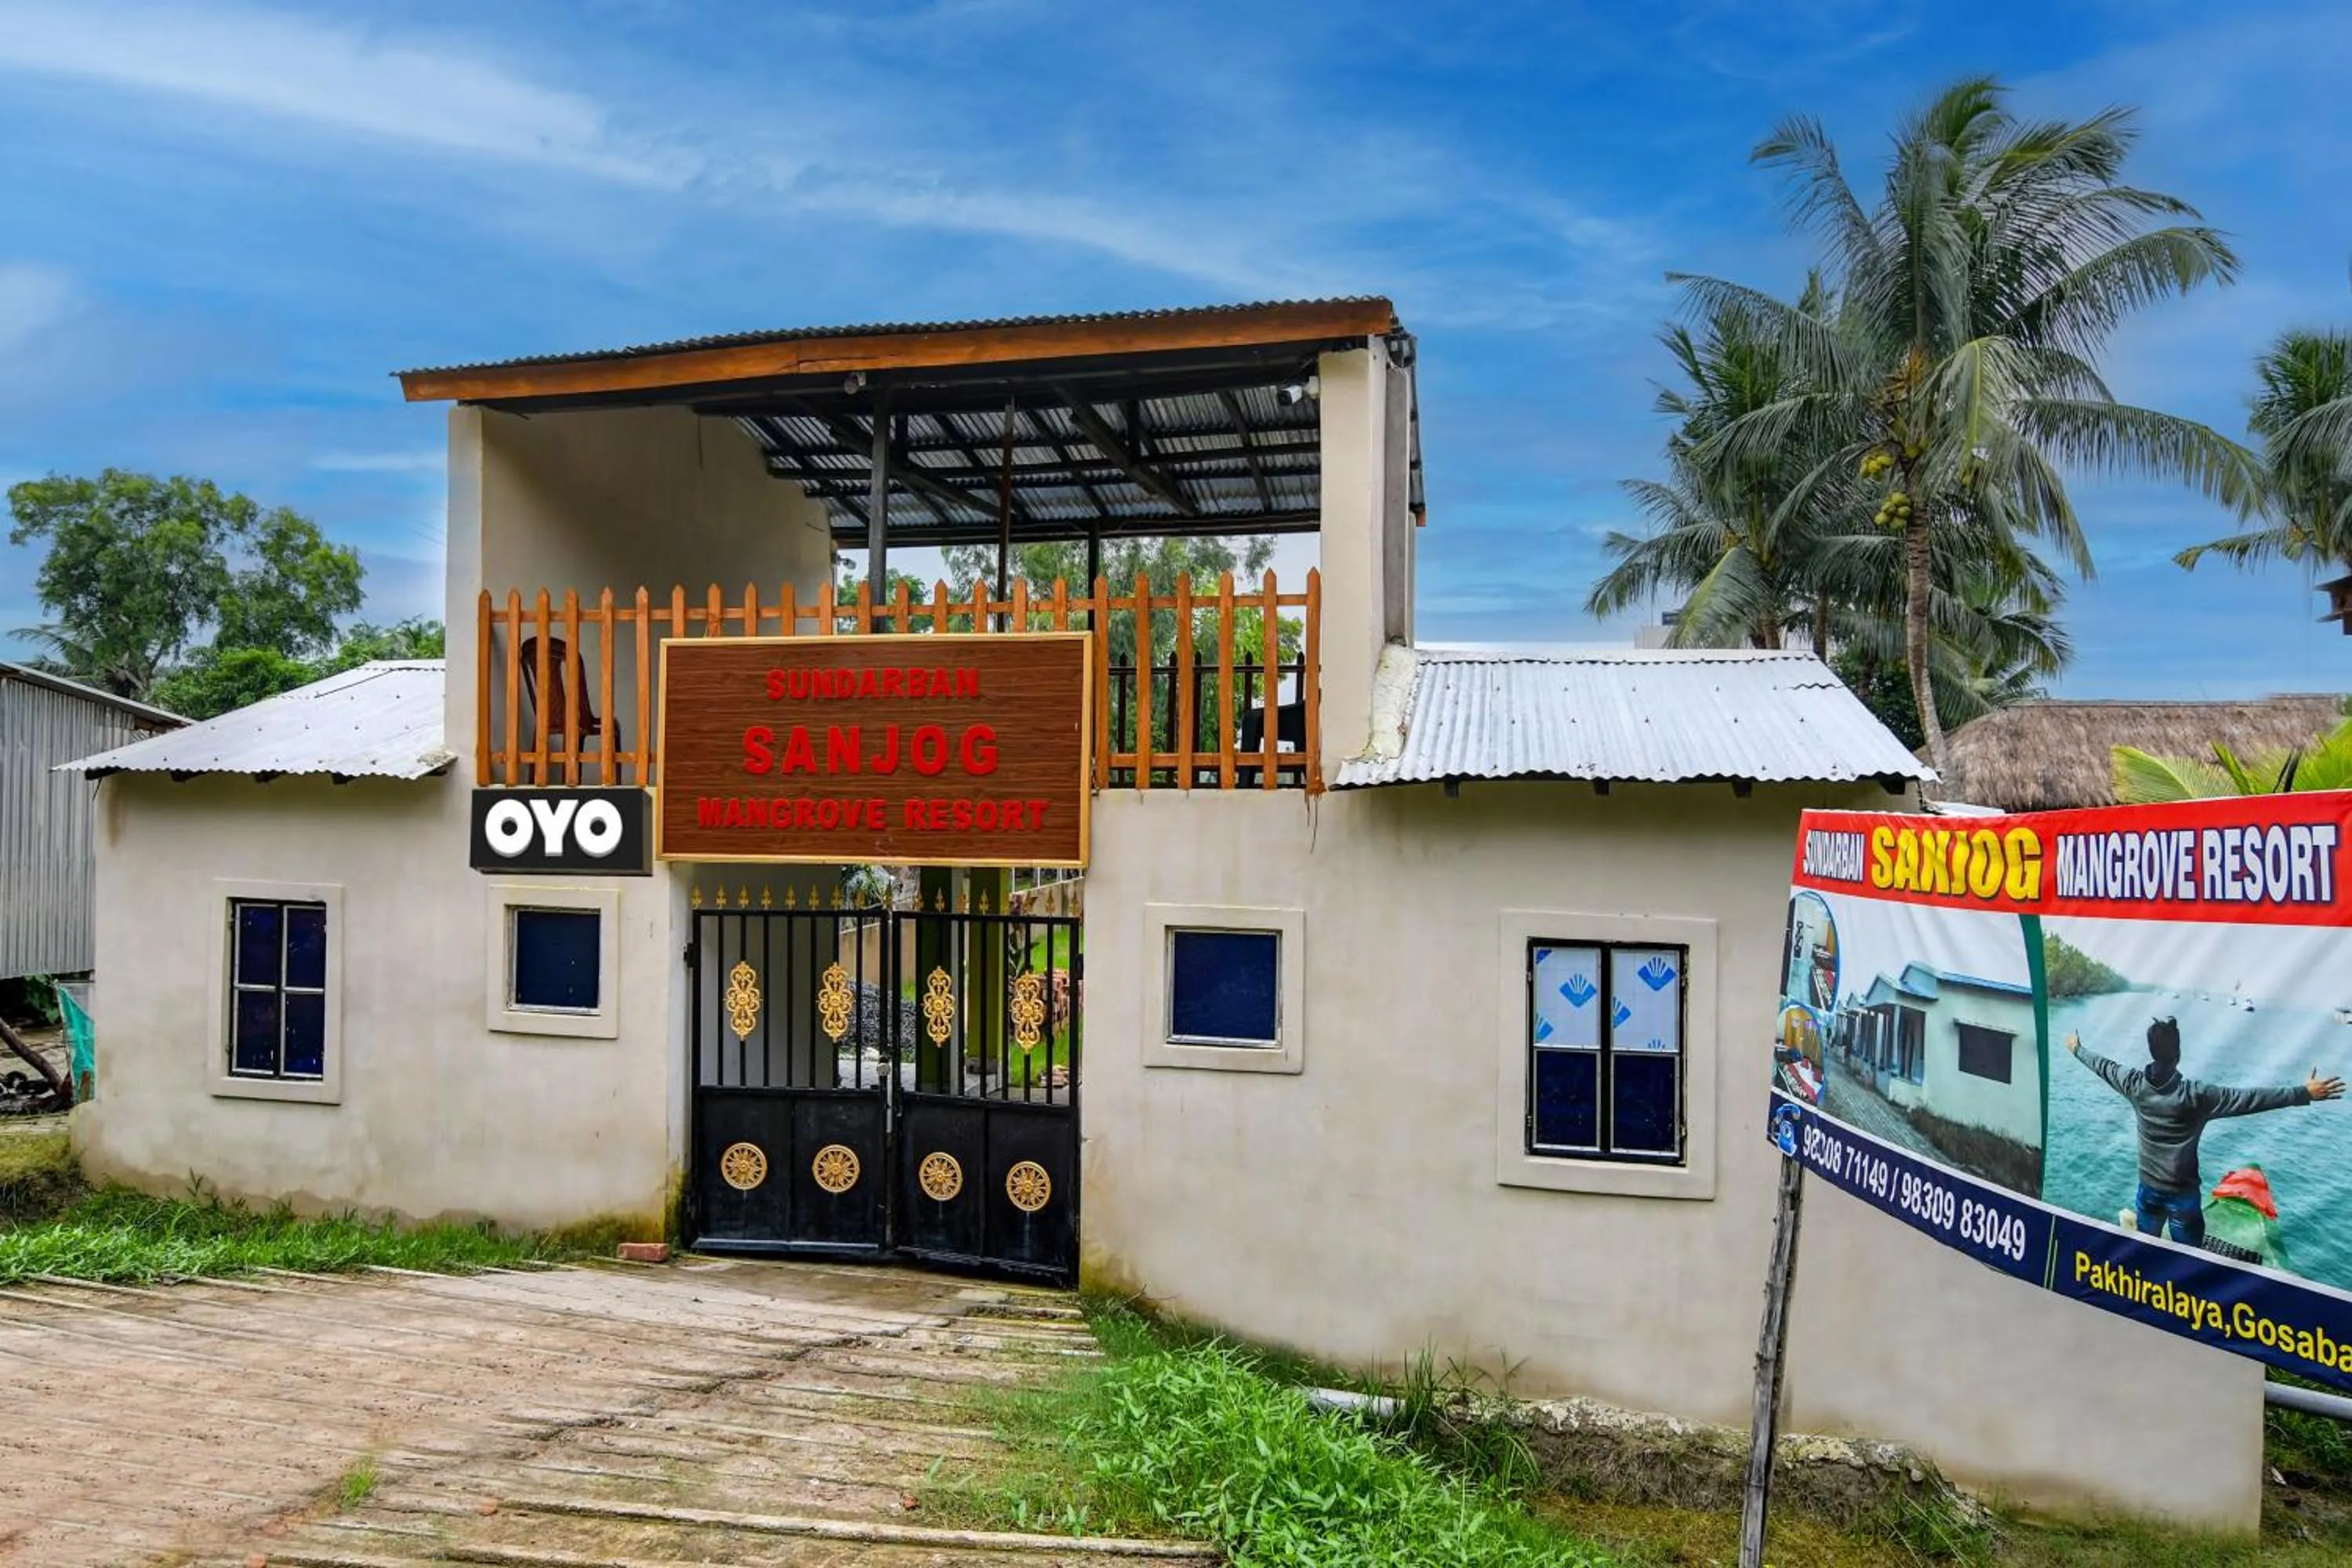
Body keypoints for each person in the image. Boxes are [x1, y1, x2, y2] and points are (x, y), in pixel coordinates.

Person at [2067, 1017, 2343, 1245]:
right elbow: (2250, 1099)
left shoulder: (2134, 1085)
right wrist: (2302, 1093)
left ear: (2151, 1051)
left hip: (2148, 1190)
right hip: (2183, 1197)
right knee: (2189, 1261)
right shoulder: (2197, 1097)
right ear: (2178, 1055)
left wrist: (2078, 1049)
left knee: (2145, 1251)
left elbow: (2103, 1066)